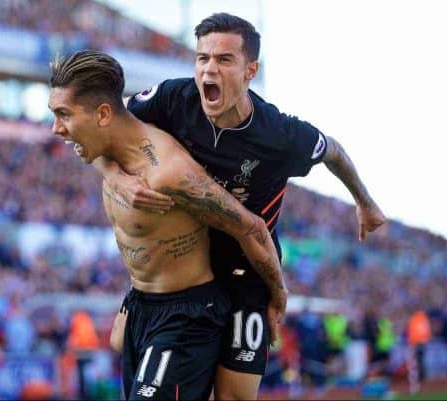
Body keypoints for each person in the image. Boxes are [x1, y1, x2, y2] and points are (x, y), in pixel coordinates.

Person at [94, 13, 386, 400]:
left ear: (251, 70)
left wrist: (365, 203)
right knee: (133, 356)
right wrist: (116, 177)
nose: (209, 69)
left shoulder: (279, 135)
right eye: (202, 58)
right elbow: (106, 131)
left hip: (247, 272)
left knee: (232, 396)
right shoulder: (171, 99)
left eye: (223, 60)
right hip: (186, 273)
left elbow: (333, 150)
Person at [48, 50, 287, 400]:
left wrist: (278, 292)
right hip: (142, 304)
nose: (56, 129)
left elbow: (250, 228)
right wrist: (116, 177)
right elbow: (91, 147)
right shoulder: (103, 145)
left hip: (187, 316)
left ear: (102, 114)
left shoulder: (168, 173)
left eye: (63, 115)